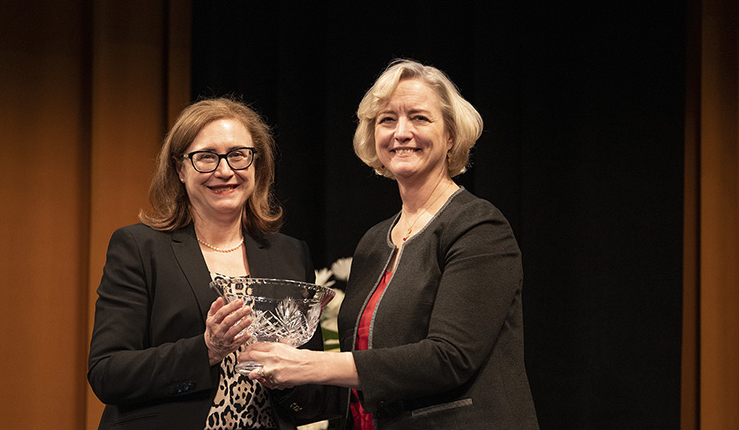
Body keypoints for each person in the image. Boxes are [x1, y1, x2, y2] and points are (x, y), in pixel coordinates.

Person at [241, 60, 540, 429]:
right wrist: (283, 375)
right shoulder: (373, 242)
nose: (401, 132)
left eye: (419, 118)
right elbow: (364, 374)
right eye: (387, 120)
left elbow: (449, 358)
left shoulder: (479, 226)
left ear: (450, 136)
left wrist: (309, 365)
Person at [88, 96, 324, 430]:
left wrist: (286, 383)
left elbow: (314, 398)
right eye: (206, 157)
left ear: (258, 165)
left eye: (238, 155)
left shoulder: (290, 253)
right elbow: (107, 372)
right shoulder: (139, 248)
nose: (224, 170)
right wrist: (206, 350)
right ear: (179, 169)